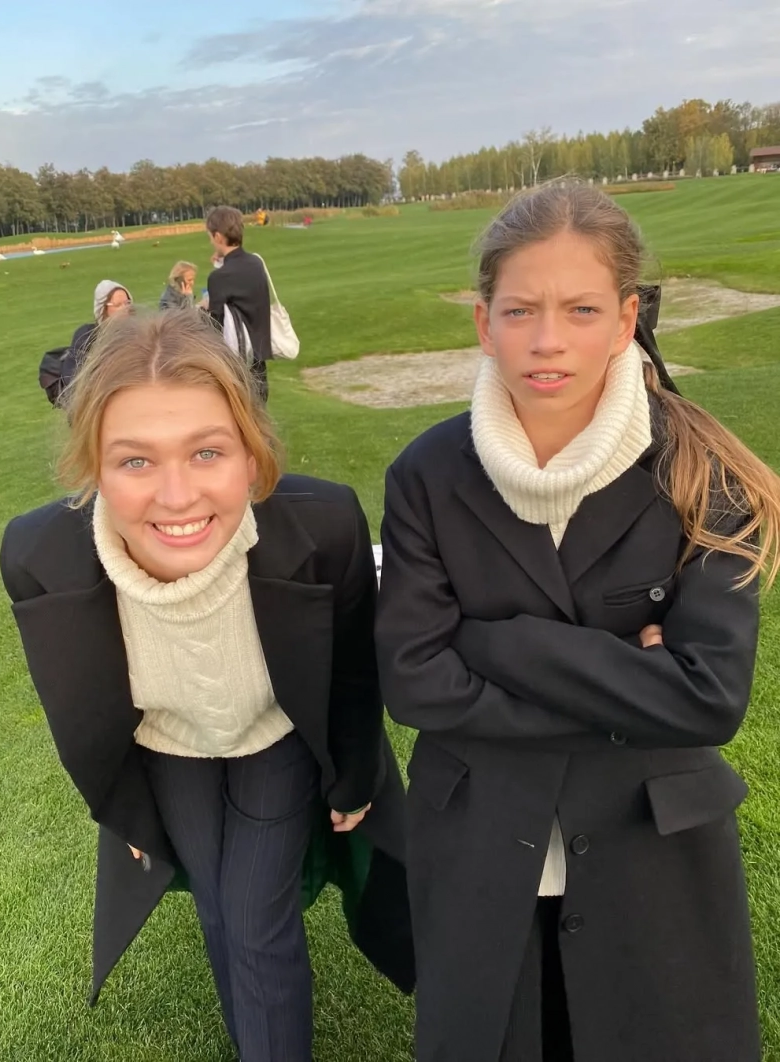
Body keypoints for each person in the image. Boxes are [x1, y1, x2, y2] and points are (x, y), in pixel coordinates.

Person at [375, 180, 779, 1062]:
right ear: (484, 324)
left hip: (652, 853)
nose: (547, 339)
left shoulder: (703, 471)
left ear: (626, 319)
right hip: (481, 845)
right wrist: (629, 684)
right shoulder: (426, 475)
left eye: (581, 309)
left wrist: (491, 642)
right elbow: (413, 683)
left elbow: (708, 699)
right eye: (519, 310)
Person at [0, 309, 414, 1062]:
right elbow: (77, 712)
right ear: (92, 466)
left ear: (251, 455)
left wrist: (356, 777)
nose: (177, 495)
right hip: (168, 746)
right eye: (135, 461)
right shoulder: (39, 557)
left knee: (256, 918)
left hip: (271, 735)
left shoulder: (324, 528)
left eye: (207, 452)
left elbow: (354, 672)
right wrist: (126, 815)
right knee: (220, 910)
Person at [205, 205, 272, 402]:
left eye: (210, 237)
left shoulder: (218, 278)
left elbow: (215, 327)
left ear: (218, 237)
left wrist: (203, 307)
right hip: (259, 359)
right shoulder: (256, 263)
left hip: (236, 366)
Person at [60, 279, 132, 391]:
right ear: (102, 309)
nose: (125, 309)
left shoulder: (137, 335)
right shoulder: (86, 337)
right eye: (118, 305)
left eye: (127, 303)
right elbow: (72, 379)